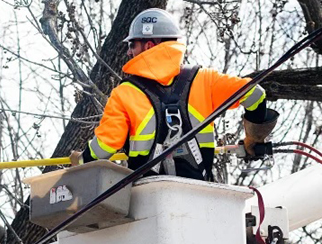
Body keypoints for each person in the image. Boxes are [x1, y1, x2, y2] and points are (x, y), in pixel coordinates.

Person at [70, 8, 278, 181]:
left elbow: (105, 146)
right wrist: (253, 137)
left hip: (149, 198)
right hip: (200, 192)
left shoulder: (125, 93)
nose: (128, 52)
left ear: (149, 45)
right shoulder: (205, 80)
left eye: (132, 45)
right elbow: (255, 95)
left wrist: (79, 163)